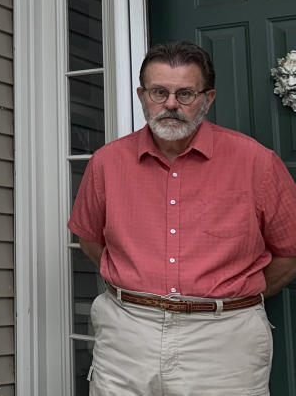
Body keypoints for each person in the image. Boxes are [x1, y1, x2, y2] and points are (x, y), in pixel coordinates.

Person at [68, 40, 296, 396]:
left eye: (185, 94)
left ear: (208, 98)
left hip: (224, 341)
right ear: (142, 96)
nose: (170, 104)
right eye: (159, 92)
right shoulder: (106, 163)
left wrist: (230, 296)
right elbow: (90, 240)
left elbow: (289, 252)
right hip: (127, 335)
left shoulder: (256, 162)